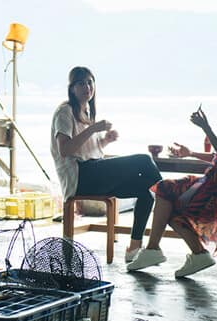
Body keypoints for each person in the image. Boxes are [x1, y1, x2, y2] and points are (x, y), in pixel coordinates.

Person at [127, 71, 217, 278]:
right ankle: (192, 254)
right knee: (168, 201)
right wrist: (190, 153)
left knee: (165, 190)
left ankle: (156, 250)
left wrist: (206, 127)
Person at [50, 66, 163, 262]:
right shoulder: (65, 111)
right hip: (79, 177)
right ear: (72, 88)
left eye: (90, 82)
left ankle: (134, 249)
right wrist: (94, 129)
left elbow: (87, 150)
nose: (87, 86)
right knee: (144, 160)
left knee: (147, 191)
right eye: (81, 83)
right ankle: (171, 199)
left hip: (92, 172)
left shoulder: (86, 111)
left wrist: (104, 141)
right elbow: (65, 150)